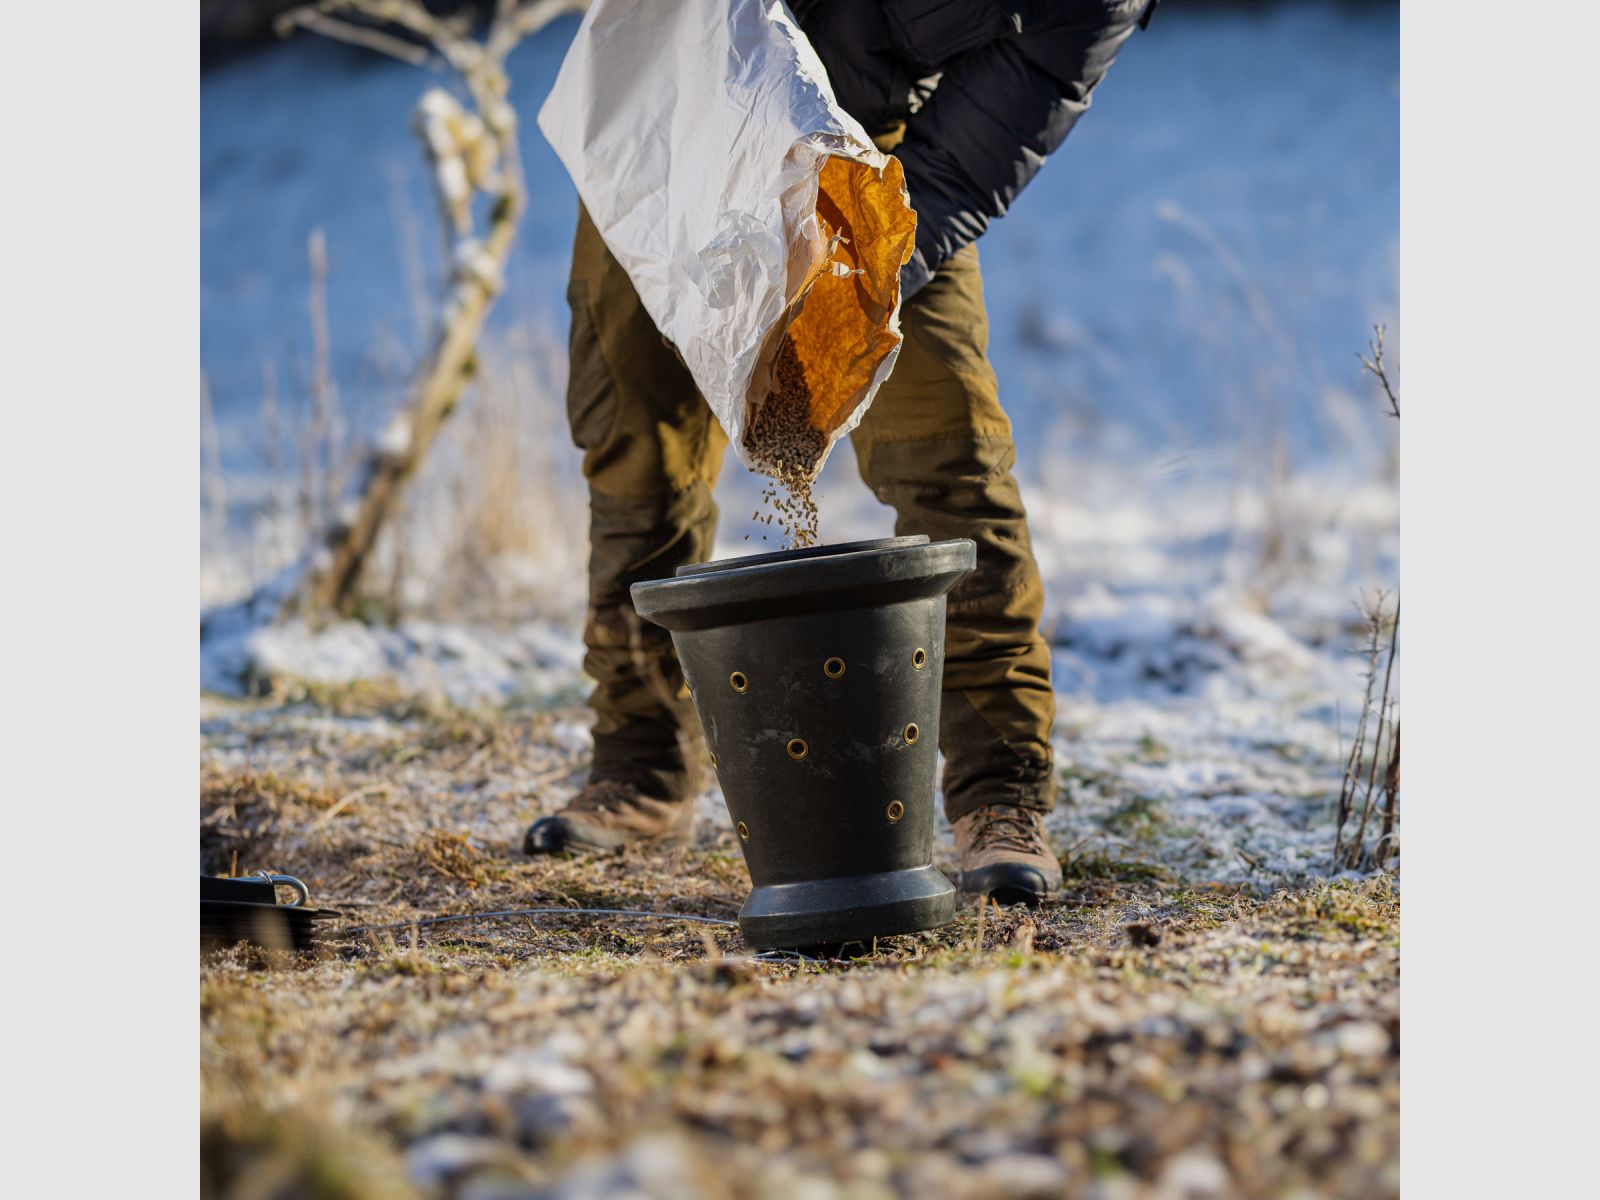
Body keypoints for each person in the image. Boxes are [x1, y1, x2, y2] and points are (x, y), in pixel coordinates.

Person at [525, 0, 1156, 906]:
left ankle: (1000, 796)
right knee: (635, 446)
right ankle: (640, 766)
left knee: (952, 457)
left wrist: (857, 285)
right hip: (673, 121)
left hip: (861, 154)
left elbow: (966, 157)